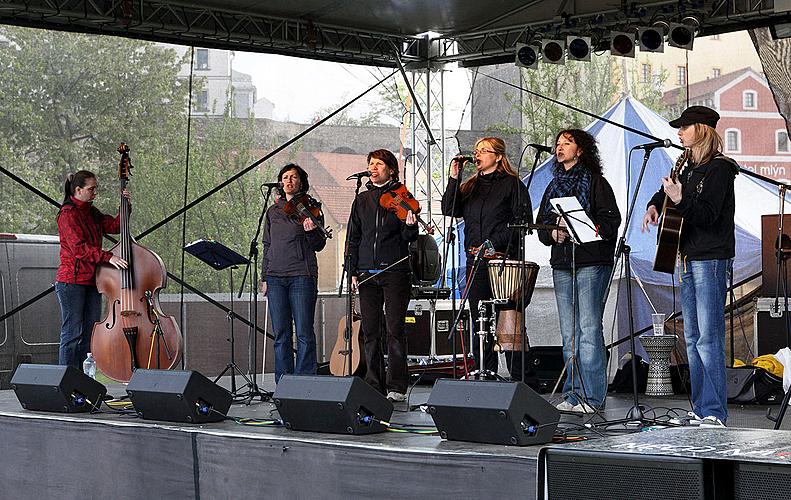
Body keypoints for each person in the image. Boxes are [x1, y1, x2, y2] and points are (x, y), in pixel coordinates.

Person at [642, 106, 737, 427]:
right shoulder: (685, 165)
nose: (679, 132)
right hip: (687, 256)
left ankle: (713, 411)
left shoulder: (720, 169)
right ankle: (700, 408)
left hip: (710, 257)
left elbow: (708, 214)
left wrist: (680, 199)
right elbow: (665, 191)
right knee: (693, 337)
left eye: (684, 127)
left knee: (709, 338)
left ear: (703, 129)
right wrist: (655, 204)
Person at [536, 129, 621, 414]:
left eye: (567, 143)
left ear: (581, 150)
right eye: (557, 143)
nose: (560, 147)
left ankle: (592, 396)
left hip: (592, 262)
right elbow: (541, 226)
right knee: (569, 333)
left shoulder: (596, 183)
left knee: (587, 329)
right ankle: (573, 393)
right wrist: (553, 234)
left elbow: (611, 223)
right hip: (563, 263)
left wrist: (584, 226)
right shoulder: (552, 185)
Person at [441, 137, 532, 377]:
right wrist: (454, 177)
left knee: (509, 319)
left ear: (499, 156)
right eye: (476, 150)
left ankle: (520, 377)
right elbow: (449, 209)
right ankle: (485, 372)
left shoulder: (512, 184)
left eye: (484, 150)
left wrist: (493, 243)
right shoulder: (471, 185)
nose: (477, 154)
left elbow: (522, 222)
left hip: (503, 262)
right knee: (480, 317)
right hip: (476, 263)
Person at [348, 149, 418, 402]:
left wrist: (410, 225)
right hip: (367, 271)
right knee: (370, 331)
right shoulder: (362, 199)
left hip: (395, 270)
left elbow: (410, 238)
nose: (373, 167)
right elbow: (354, 238)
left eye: (379, 164)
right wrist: (353, 270)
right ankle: (373, 383)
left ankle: (397, 386)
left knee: (394, 329)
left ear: (391, 169)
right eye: (370, 163)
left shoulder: (402, 196)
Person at [56, 170, 129, 370]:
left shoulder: (92, 212)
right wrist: (109, 257)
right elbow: (79, 249)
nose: (95, 192)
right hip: (71, 282)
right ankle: (68, 381)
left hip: (90, 281)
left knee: (89, 334)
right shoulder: (67, 215)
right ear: (78, 190)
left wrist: (125, 206)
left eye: (95, 188)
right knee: (72, 334)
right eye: (91, 189)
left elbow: (115, 226)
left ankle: (84, 383)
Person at [261, 163, 327, 383]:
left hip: (302, 275)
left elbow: (319, 245)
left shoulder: (312, 207)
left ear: (301, 182)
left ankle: (305, 383)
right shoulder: (273, 211)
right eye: (285, 177)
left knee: (304, 333)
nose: (289, 180)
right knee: (281, 335)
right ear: (281, 182)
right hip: (275, 277)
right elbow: (267, 245)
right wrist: (264, 277)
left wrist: (310, 232)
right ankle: (283, 383)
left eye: (294, 177)